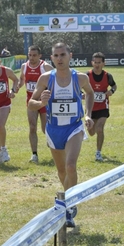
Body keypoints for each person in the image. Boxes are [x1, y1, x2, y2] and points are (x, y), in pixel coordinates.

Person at [28, 42, 94, 228]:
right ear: (52, 58)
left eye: (63, 55)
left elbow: (90, 93)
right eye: (56, 56)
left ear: (70, 56)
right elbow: (30, 104)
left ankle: (69, 206)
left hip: (74, 127)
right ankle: (68, 198)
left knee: (71, 166)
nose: (59, 59)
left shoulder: (80, 78)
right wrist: (41, 103)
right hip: (53, 129)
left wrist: (88, 114)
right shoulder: (45, 79)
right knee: (62, 171)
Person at [18, 45, 54, 163]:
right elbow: (22, 80)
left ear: (40, 56)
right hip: (31, 101)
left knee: (45, 129)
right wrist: (16, 88)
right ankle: (34, 155)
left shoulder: (45, 67)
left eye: (34, 55)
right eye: (30, 55)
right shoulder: (24, 66)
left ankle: (56, 150)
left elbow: (57, 79)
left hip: (45, 102)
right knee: (32, 127)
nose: (32, 58)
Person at [86, 52, 117, 162]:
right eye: (95, 62)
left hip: (103, 106)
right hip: (91, 108)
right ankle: (89, 127)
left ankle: (98, 152)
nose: (97, 64)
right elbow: (78, 86)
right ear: (92, 63)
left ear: (103, 63)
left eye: (99, 62)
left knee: (99, 128)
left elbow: (114, 85)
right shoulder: (87, 75)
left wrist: (111, 91)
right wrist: (81, 94)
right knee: (91, 132)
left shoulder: (107, 76)